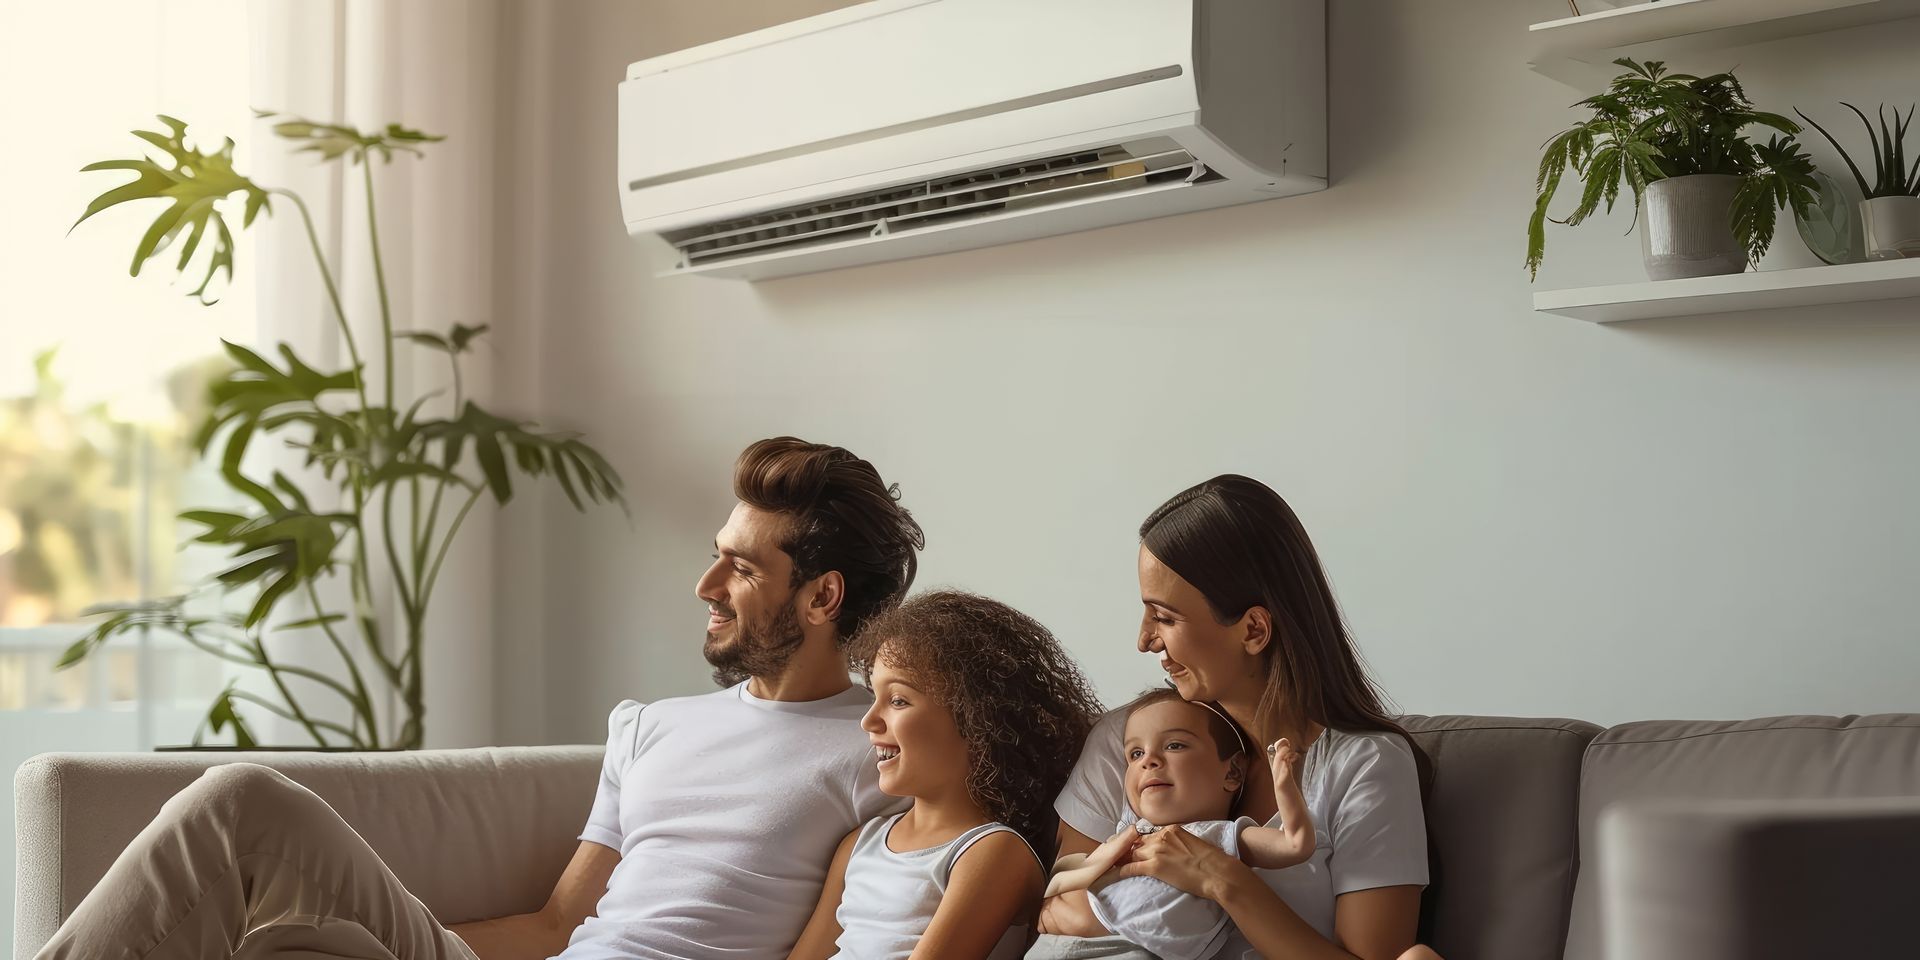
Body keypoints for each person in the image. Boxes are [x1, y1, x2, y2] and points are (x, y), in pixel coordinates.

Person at [34, 437, 926, 960]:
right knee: (282, 926)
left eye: (741, 568)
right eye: (714, 554)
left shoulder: (876, 753)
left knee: (245, 803)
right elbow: (556, 924)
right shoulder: (652, 728)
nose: (705, 585)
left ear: (822, 597)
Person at [1042, 476, 1445, 960]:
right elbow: (1054, 911)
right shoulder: (1128, 740)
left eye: (1164, 617)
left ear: (1253, 629)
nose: (1144, 640)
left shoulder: (1366, 767)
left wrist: (1223, 879)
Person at [786, 591, 1105, 960]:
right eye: (874, 696)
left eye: (898, 700)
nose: (869, 721)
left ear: (977, 720)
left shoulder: (994, 852)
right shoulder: (859, 844)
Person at [1031, 690, 1312, 960]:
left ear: (1233, 772)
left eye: (1174, 745)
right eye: (1135, 754)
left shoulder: (1218, 838)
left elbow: (1296, 844)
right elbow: (1061, 890)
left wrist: (1284, 786)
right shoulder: (1126, 833)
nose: (1149, 761)